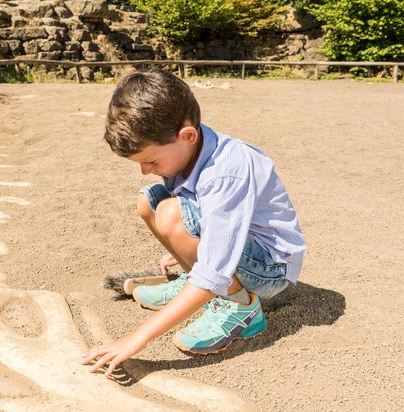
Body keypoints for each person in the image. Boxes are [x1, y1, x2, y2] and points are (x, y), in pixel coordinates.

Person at [82, 70, 306, 377]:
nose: (146, 170)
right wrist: (186, 246)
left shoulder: (227, 171)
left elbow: (215, 264)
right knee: (149, 200)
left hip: (271, 268)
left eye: (152, 161)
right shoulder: (185, 151)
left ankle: (240, 307)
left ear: (187, 136)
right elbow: (203, 211)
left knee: (172, 214)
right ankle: (197, 286)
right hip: (242, 249)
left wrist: (137, 338)